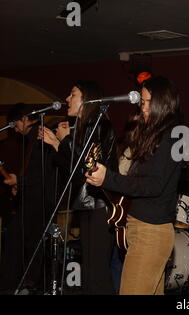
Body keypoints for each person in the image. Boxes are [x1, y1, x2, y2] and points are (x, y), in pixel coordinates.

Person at [85, 75, 182, 295]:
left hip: (151, 232)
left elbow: (153, 186)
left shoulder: (171, 137)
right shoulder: (157, 136)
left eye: (146, 102)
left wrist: (108, 178)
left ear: (161, 103)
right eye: (142, 101)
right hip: (142, 227)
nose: (142, 107)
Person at [40, 81, 117, 294]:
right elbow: (76, 169)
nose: (67, 99)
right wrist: (57, 144)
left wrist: (64, 142)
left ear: (87, 99)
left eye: (72, 94)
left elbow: (90, 166)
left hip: (100, 206)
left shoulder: (99, 124)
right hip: (88, 204)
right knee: (90, 275)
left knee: (97, 275)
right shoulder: (85, 128)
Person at [0, 103, 58, 293]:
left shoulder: (40, 136)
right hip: (35, 197)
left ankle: (21, 284)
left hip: (41, 199)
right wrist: (19, 183)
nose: (14, 128)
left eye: (15, 123)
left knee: (21, 238)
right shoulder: (31, 139)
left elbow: (43, 171)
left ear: (25, 118)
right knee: (28, 241)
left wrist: (20, 181)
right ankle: (28, 283)